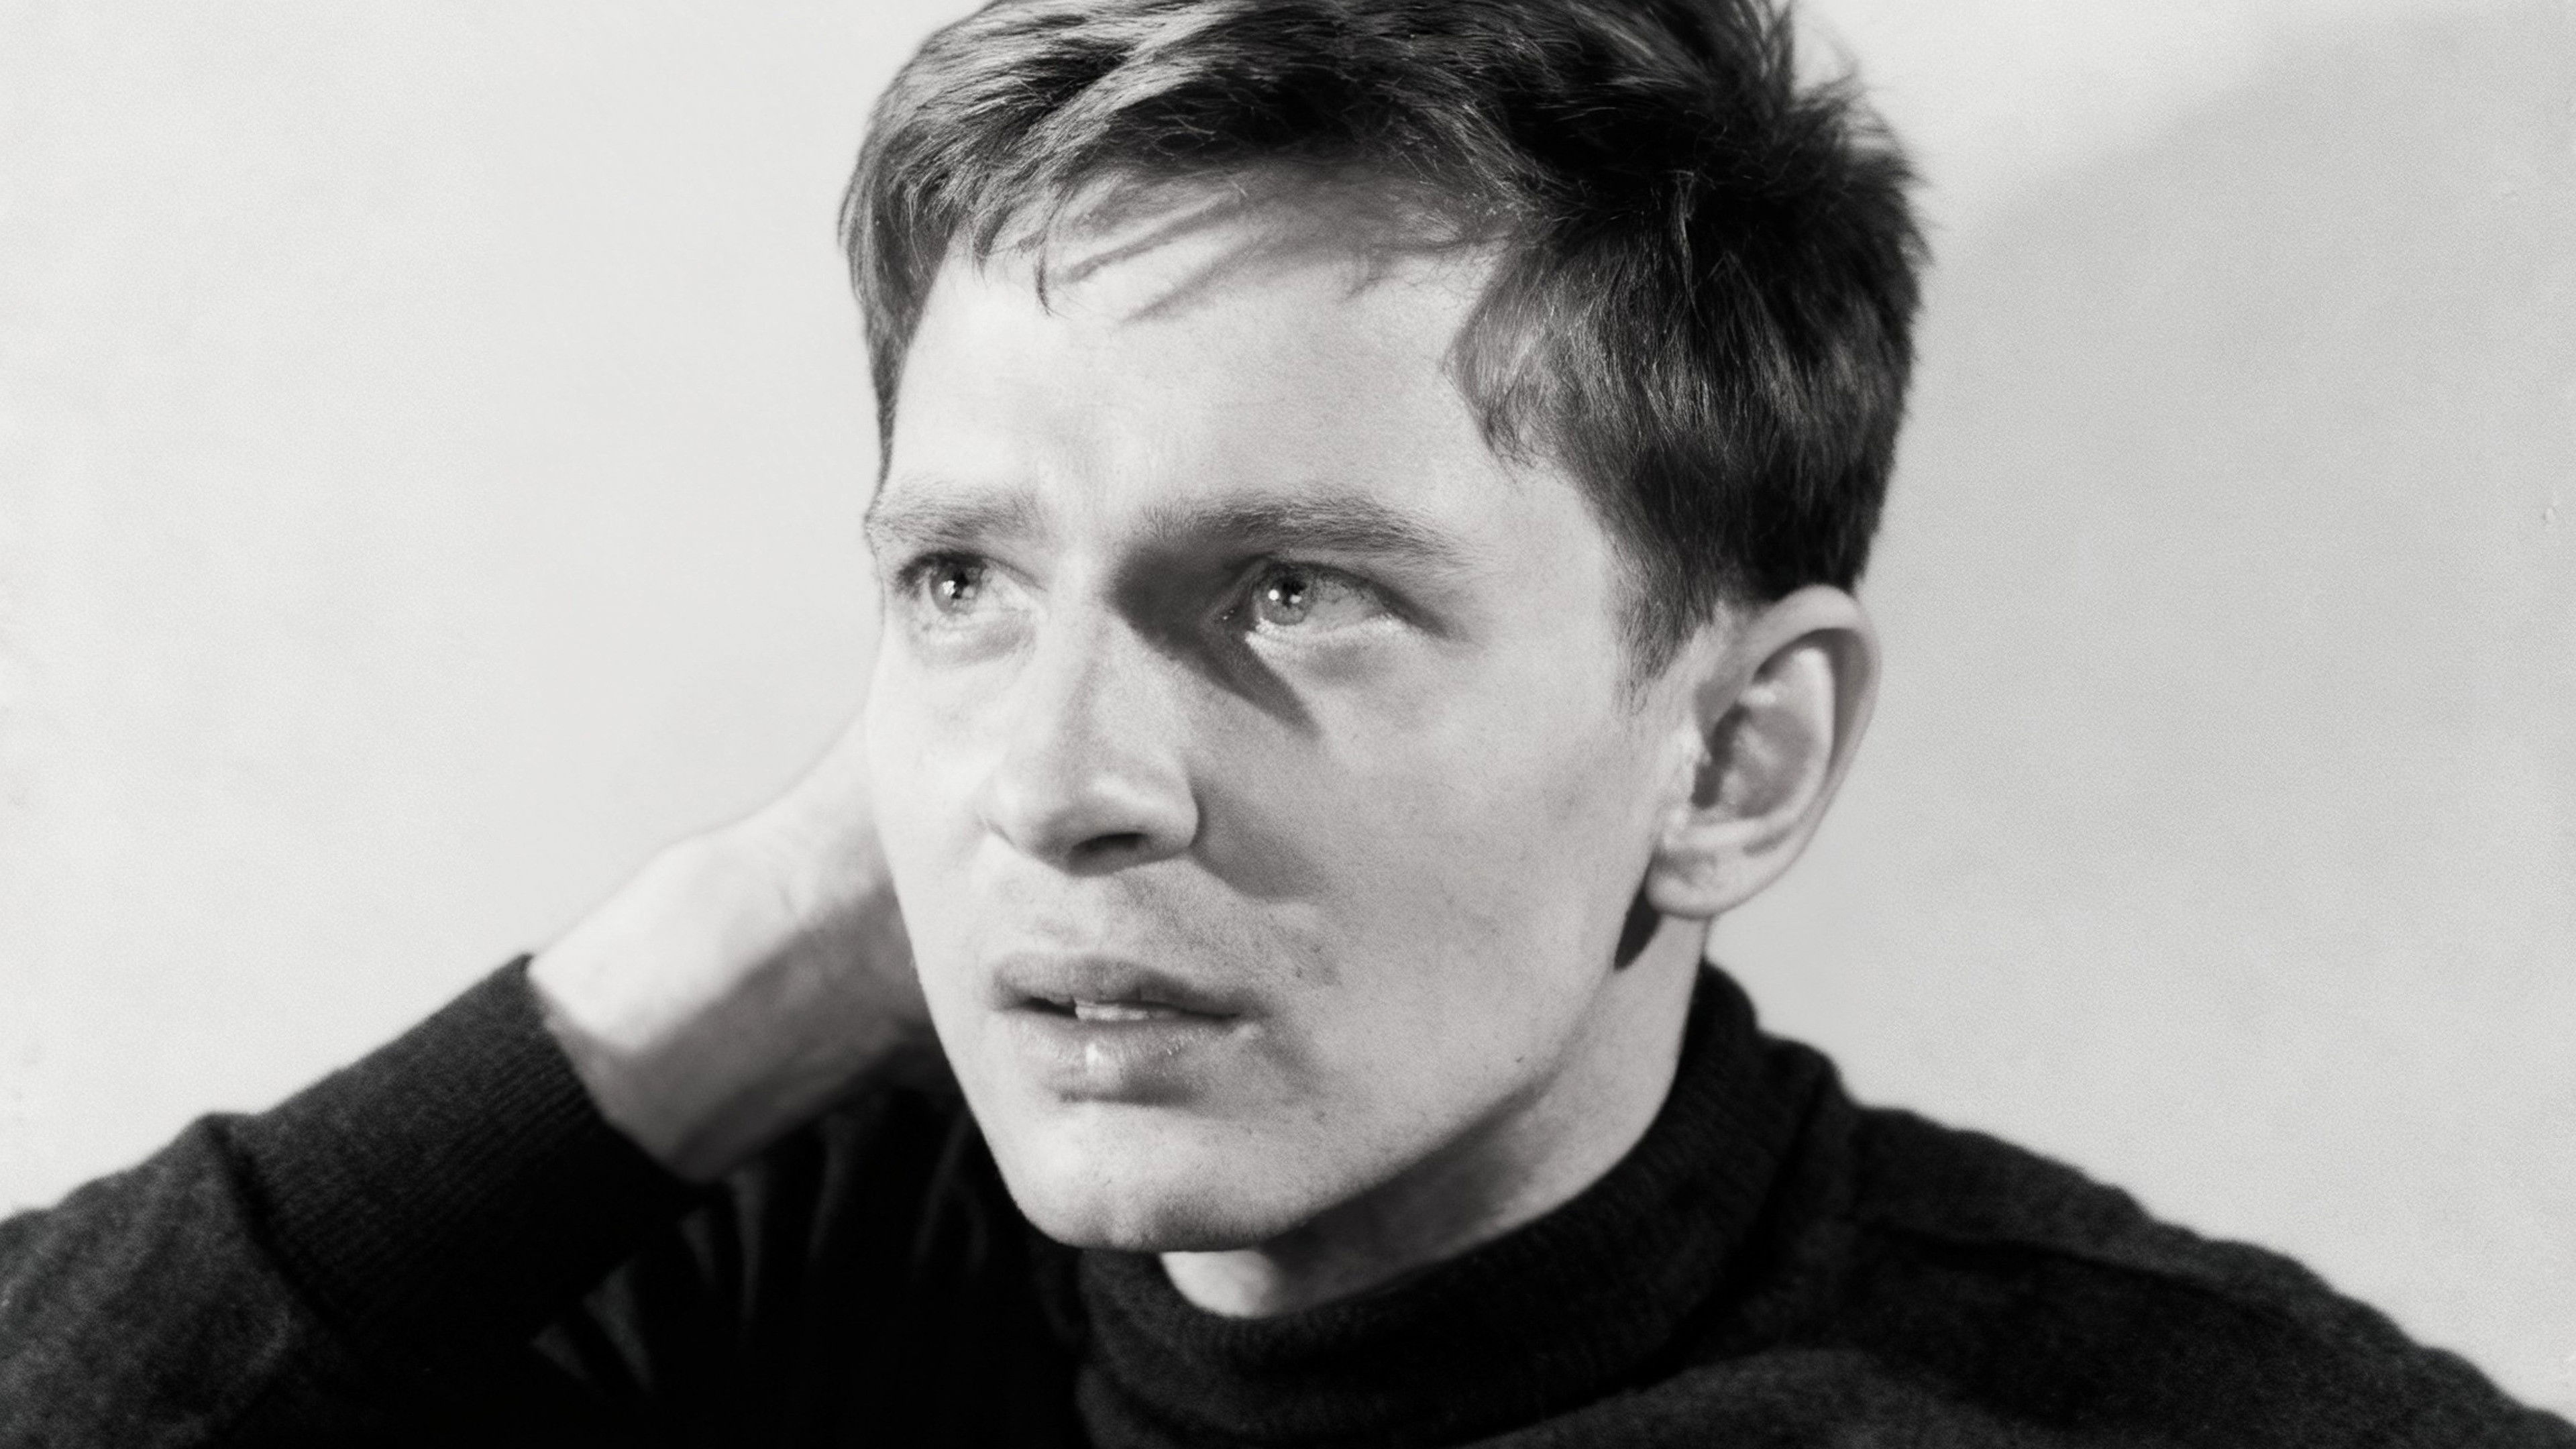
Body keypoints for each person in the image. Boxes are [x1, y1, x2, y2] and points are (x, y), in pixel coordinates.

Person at [1, 0, 2565, 1443]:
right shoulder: (764, 1287)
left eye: (1297, 593)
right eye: (962, 579)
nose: (1061, 778)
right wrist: (733, 954)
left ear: (1732, 758)